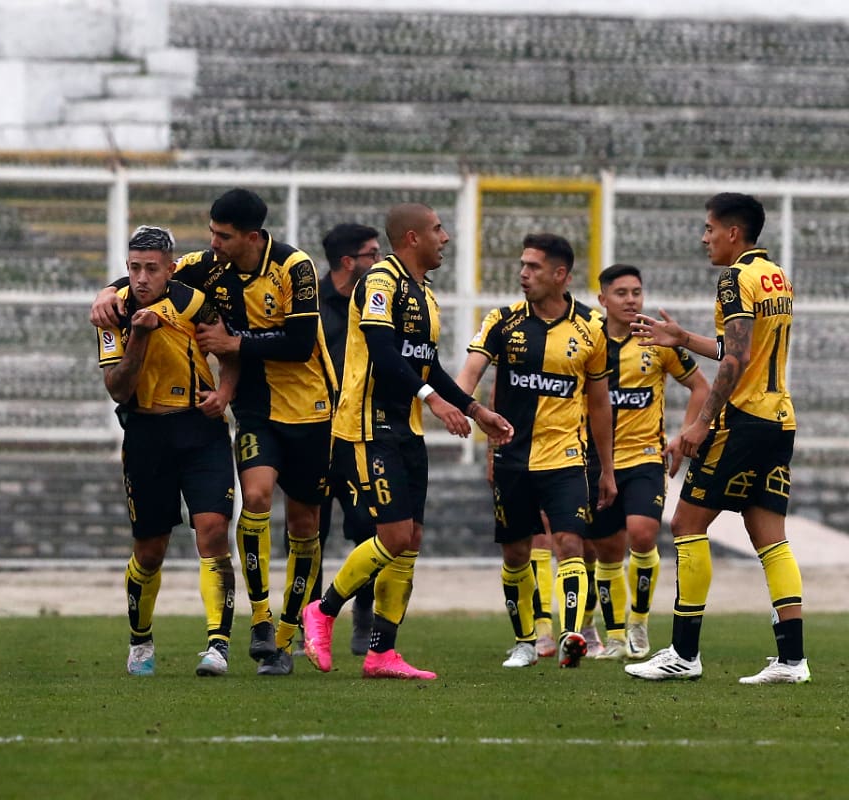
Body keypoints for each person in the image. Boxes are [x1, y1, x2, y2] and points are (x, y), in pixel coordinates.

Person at [92, 188, 335, 677]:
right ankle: (219, 627)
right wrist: (108, 293)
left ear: (249, 236)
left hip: (289, 414)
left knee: (273, 529)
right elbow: (150, 283)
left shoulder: (288, 269)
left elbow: (288, 341)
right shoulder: (143, 297)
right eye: (211, 234)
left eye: (221, 236)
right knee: (184, 532)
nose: (213, 244)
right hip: (207, 421)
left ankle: (256, 641)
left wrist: (229, 367)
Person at [301, 203, 512, 680]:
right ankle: (324, 610)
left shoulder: (425, 295)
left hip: (406, 428)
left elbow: (425, 364)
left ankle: (381, 653)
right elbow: (382, 351)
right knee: (393, 535)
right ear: (413, 238)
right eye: (439, 229)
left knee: (410, 540)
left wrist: (476, 410)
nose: (446, 237)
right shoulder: (381, 282)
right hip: (367, 426)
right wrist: (435, 401)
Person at [626, 192, 809, 684]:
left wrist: (702, 421)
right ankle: (792, 660)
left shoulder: (733, 279)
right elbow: (739, 345)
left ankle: (683, 653)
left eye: (709, 228)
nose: (704, 238)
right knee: (770, 536)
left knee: (686, 522)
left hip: (744, 419)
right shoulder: (775, 277)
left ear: (733, 232)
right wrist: (684, 339)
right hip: (779, 419)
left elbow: (735, 360)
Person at [456, 233, 616, 669]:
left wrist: (608, 469)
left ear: (560, 275)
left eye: (534, 267)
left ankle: (569, 635)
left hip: (566, 458)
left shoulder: (593, 327)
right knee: (516, 552)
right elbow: (469, 374)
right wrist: (463, 408)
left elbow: (599, 403)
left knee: (569, 541)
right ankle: (525, 640)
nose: (523, 274)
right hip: (512, 458)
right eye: (522, 265)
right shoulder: (502, 321)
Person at [97, 225, 238, 677]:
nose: (142, 278)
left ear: (170, 269)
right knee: (150, 550)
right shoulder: (111, 315)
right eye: (134, 268)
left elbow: (230, 351)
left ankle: (218, 645)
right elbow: (117, 389)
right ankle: (140, 641)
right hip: (146, 436)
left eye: (151, 269)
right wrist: (138, 335)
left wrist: (225, 394)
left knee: (213, 531)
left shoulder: (193, 302)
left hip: (201, 430)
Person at [584, 264, 709, 661]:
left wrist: (685, 432)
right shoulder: (587, 341)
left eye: (636, 292)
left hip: (644, 458)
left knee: (641, 534)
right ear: (603, 300)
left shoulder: (658, 341)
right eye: (620, 293)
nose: (631, 299)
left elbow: (700, 387)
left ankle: (638, 620)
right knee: (606, 550)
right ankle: (615, 635)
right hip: (594, 460)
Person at [313, 223, 381, 656]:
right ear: (347, 262)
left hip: (359, 434)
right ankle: (306, 620)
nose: (378, 262)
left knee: (369, 530)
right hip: (314, 435)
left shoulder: (373, 302)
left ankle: (363, 615)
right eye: (372, 254)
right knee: (308, 533)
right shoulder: (309, 303)